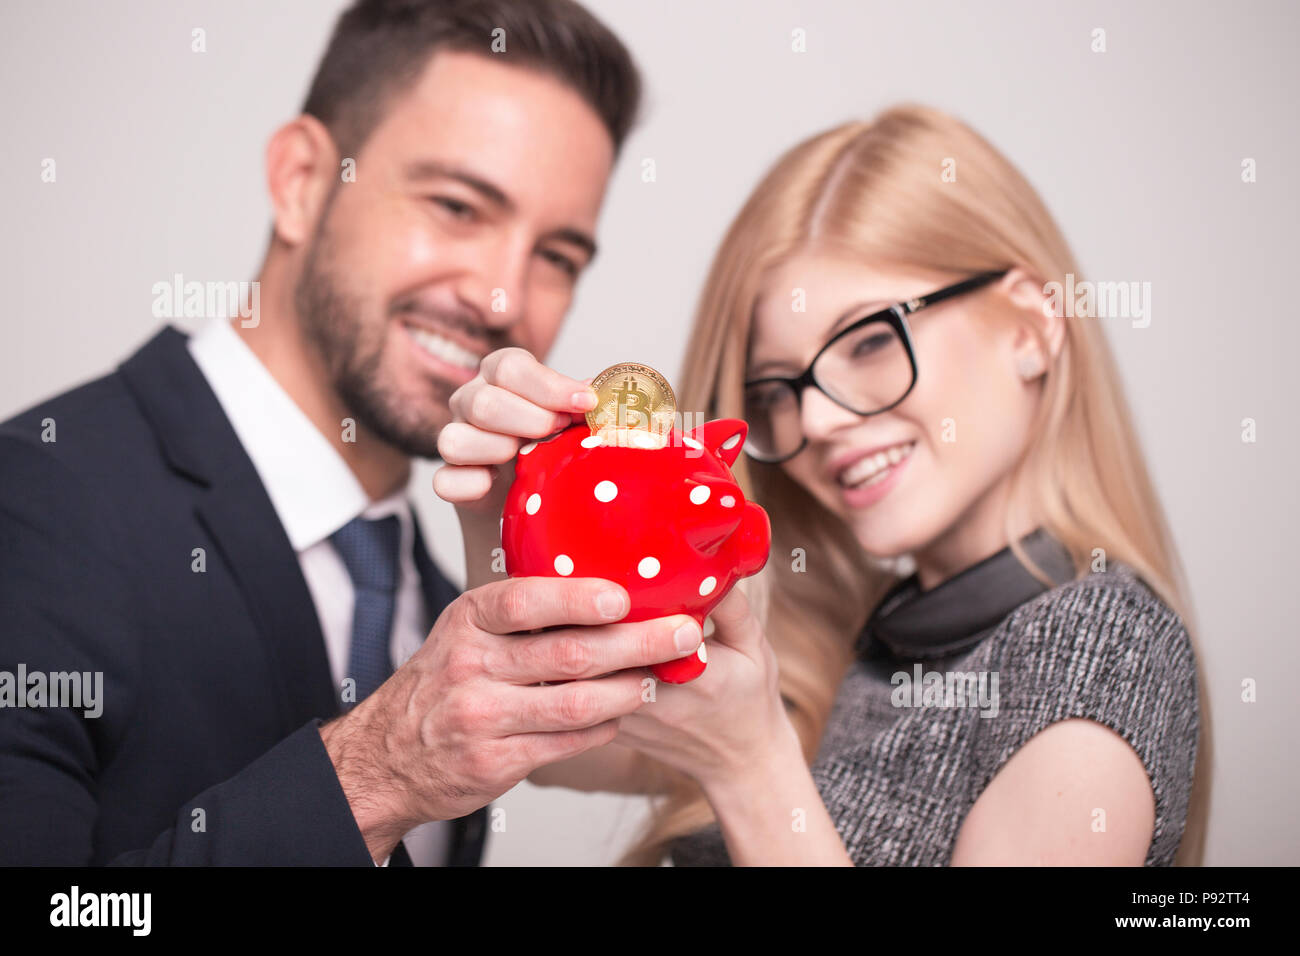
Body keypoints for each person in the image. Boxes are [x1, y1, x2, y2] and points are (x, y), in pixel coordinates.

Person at [0, 0, 704, 866]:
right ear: (300, 180)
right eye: (456, 205)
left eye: (557, 256)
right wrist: (380, 774)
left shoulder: (454, 596)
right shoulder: (29, 503)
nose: (504, 300)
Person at [436, 104, 1212, 866]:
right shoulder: (848, 640)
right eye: (776, 388)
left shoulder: (1097, 644)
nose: (820, 418)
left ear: (1031, 328)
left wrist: (751, 773)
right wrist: (502, 504)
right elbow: (560, 745)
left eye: (870, 341)